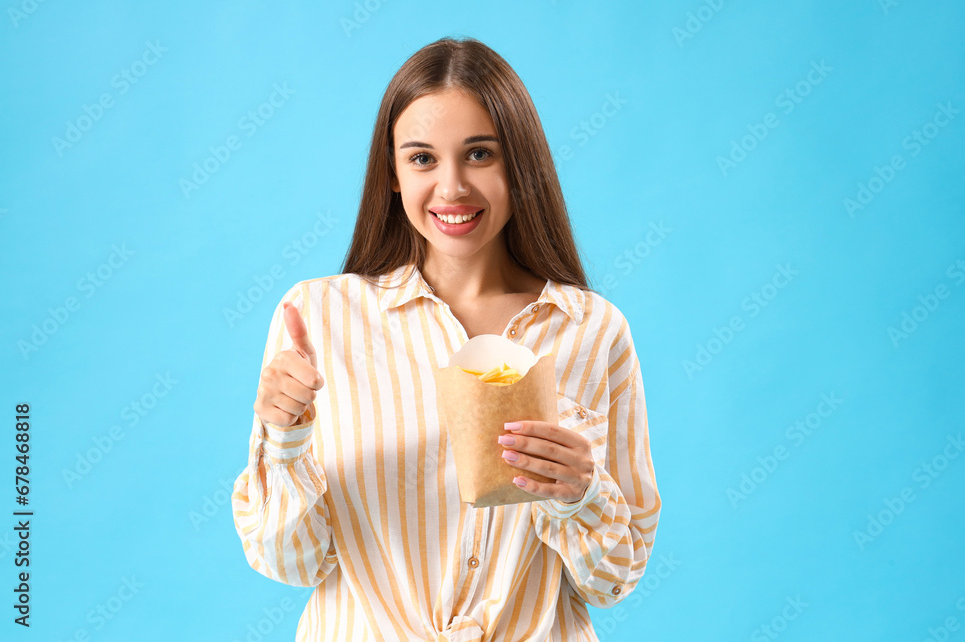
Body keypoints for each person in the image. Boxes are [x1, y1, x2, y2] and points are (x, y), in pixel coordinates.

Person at [232, 36, 660, 642]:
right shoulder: (318, 317)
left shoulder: (593, 330)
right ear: (392, 173)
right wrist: (284, 440)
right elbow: (289, 562)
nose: (452, 187)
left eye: (479, 154)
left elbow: (614, 579)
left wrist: (579, 494)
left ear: (521, 163)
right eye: (423, 158)